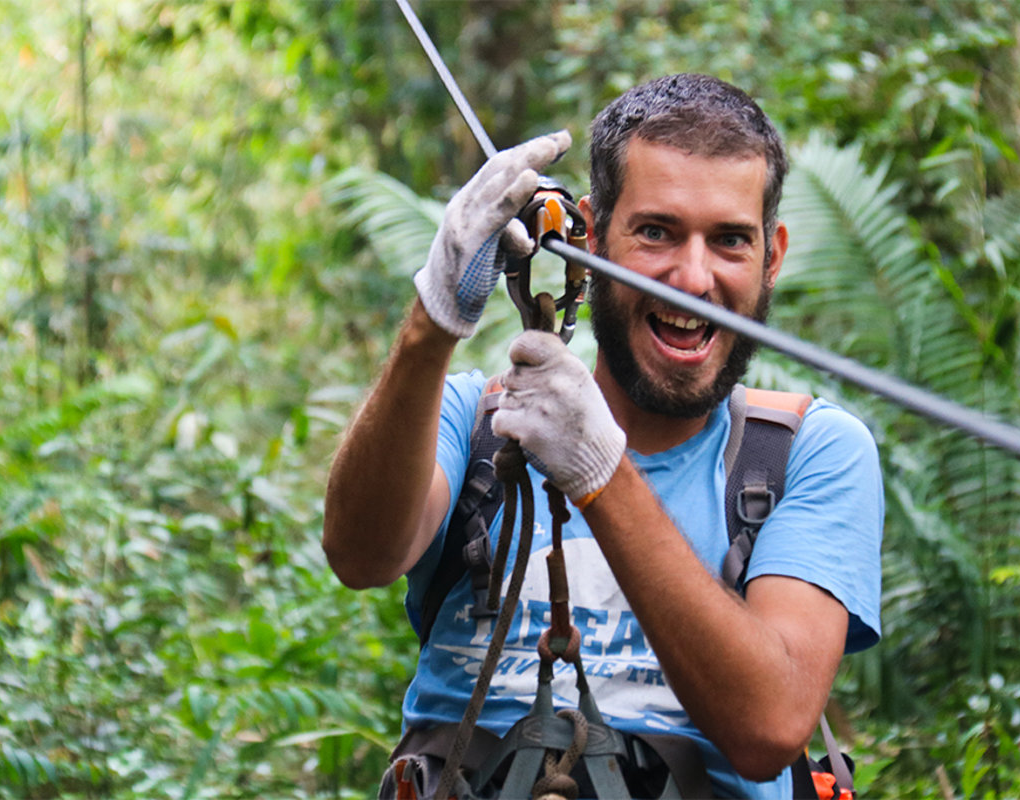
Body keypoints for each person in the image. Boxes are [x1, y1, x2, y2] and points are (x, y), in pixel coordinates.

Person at [323, 73, 882, 799]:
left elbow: (768, 727)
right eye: (656, 232)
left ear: (772, 257)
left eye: (730, 242)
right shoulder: (478, 423)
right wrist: (432, 323)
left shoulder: (806, 453)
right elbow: (360, 553)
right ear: (595, 237)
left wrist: (597, 469)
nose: (692, 277)